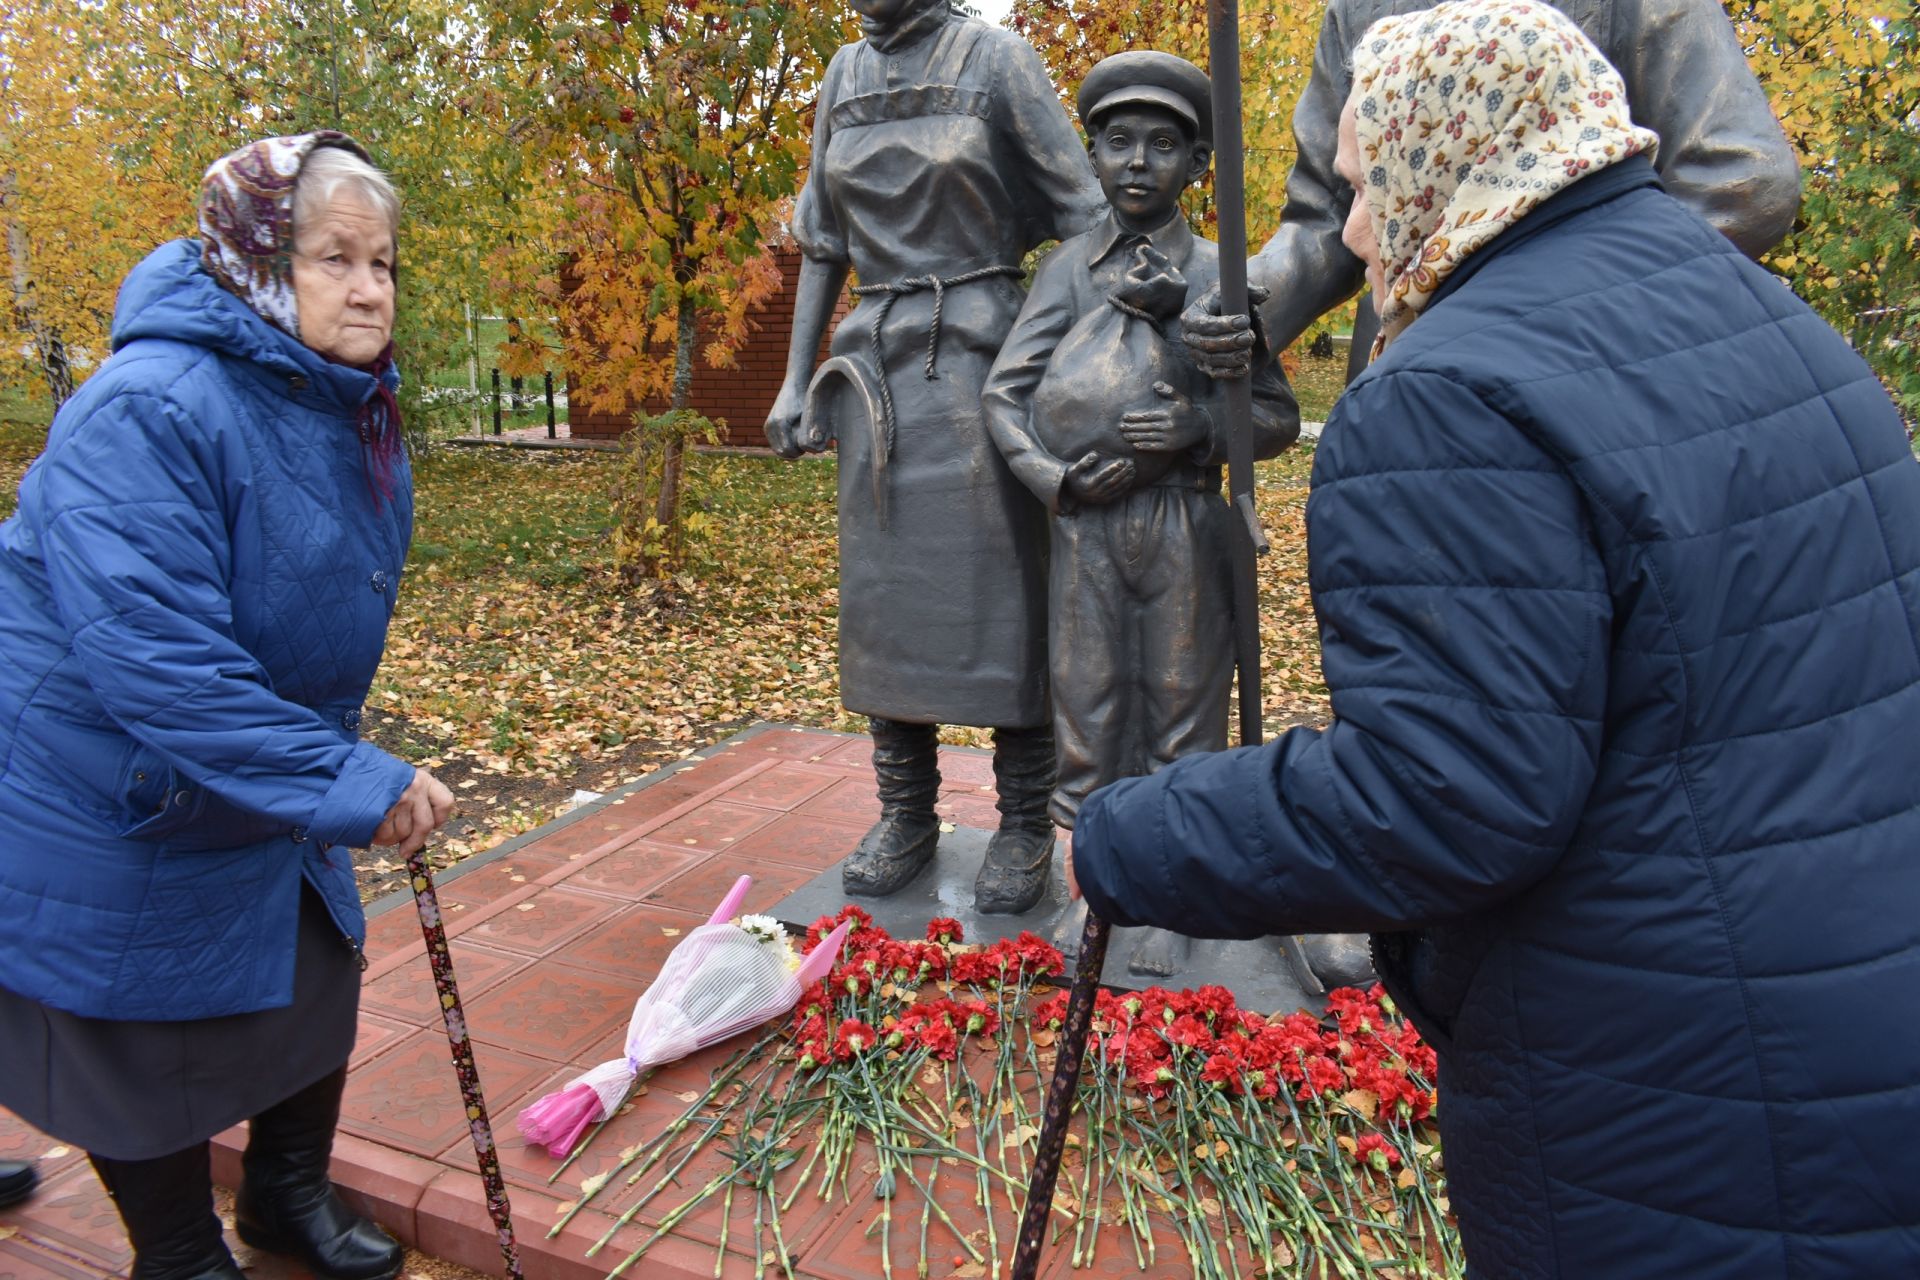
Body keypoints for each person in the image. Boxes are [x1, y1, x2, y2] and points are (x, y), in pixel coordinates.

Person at [1067, 2, 1920, 1274]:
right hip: (1853, 987)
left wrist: (1143, 830)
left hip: (1668, 1071)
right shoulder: (1763, 326)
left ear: (1446, 156)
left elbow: (1449, 798)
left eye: (1365, 186)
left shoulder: (1449, 399)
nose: (1352, 230)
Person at [0, 133, 453, 1280]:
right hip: (97, 763)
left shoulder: (341, 396)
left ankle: (284, 1196)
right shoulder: (151, 408)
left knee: (311, 969)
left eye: (384, 263)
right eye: (335, 258)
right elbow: (155, 656)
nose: (368, 288)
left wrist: (322, 766)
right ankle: (180, 1251)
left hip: (249, 748)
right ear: (255, 263)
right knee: (139, 1023)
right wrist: (351, 779)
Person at [762, 0, 1104, 913]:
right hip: (877, 375)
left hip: (987, 370)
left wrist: (1073, 353)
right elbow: (823, 242)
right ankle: (905, 811)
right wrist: (796, 381)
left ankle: (1026, 821)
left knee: (1007, 597)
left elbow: (1086, 218)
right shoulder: (843, 74)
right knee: (886, 601)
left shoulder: (996, 60)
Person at [982, 51, 1297, 960]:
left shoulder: (1219, 273)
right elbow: (1006, 396)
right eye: (1118, 143)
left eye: (1163, 146)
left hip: (1187, 528)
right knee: (1090, 704)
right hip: (1086, 528)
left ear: (1198, 164)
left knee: (1182, 703)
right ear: (1091, 153)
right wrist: (1057, 478)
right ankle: (1100, 888)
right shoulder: (1068, 273)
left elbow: (1272, 415)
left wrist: (1201, 426)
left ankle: (1173, 895)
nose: (1137, 163)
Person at [1183, 0, 1801, 379]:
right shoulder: (1360, 7)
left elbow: (1743, 182)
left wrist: (1556, 316)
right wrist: (1253, 301)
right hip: (1408, 350)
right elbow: (1330, 213)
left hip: (1607, 367)